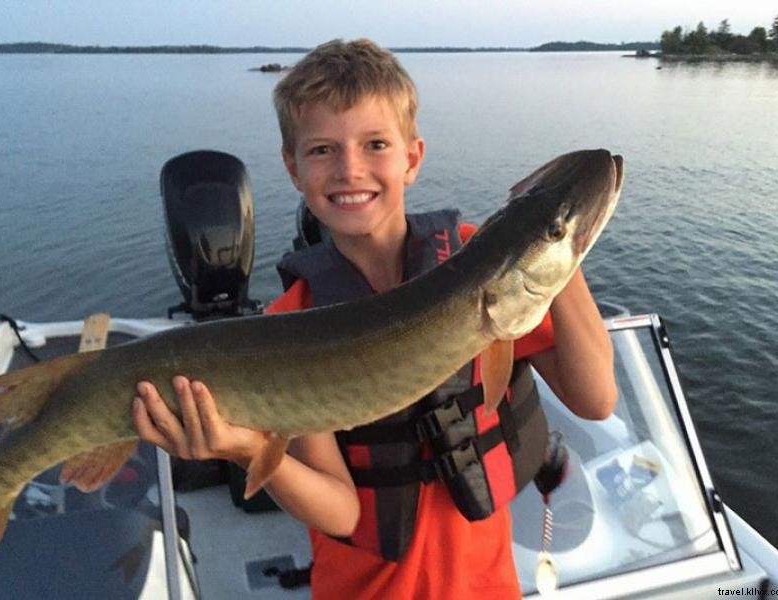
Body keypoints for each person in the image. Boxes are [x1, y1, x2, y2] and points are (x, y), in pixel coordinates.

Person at [132, 38, 617, 599]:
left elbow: (595, 399)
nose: (350, 169)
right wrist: (242, 448)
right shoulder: (292, 322)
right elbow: (339, 512)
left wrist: (557, 242)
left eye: (376, 144)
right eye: (321, 151)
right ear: (293, 169)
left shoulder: (484, 268)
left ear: (412, 158)